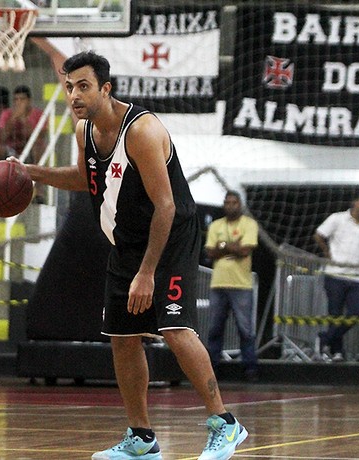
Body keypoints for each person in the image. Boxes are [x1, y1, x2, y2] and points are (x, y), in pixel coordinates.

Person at [14, 51, 247, 460]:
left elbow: (167, 206)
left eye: (83, 86)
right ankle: (141, 438)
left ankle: (225, 424)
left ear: (106, 88)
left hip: (170, 236)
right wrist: (34, 172)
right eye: (69, 87)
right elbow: (88, 179)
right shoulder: (84, 129)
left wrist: (147, 272)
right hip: (127, 242)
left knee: (174, 329)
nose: (74, 95)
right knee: (122, 338)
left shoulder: (140, 130)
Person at [204, 191, 259, 381]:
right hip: (218, 283)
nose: (230, 206)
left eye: (234, 203)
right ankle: (212, 368)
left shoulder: (249, 224)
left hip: (241, 285)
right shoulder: (216, 225)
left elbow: (245, 250)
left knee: (245, 329)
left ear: (240, 204)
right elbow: (210, 252)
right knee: (214, 328)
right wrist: (231, 246)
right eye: (227, 202)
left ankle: (250, 368)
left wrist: (222, 246)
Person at [314, 191, 359, 362]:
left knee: (357, 312)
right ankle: (337, 351)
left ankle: (324, 339)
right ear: (354, 202)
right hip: (335, 275)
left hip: (357, 277)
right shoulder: (337, 218)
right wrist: (327, 253)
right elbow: (319, 234)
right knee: (335, 314)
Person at [0, 85, 47, 203]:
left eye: (22, 99)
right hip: (11, 150)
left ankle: (39, 192)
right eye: (16, 99)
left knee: (40, 147)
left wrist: (24, 120)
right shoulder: (7, 114)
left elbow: (39, 137)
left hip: (31, 150)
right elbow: (1, 138)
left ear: (29, 101)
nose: (18, 103)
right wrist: (13, 119)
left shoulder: (39, 114)